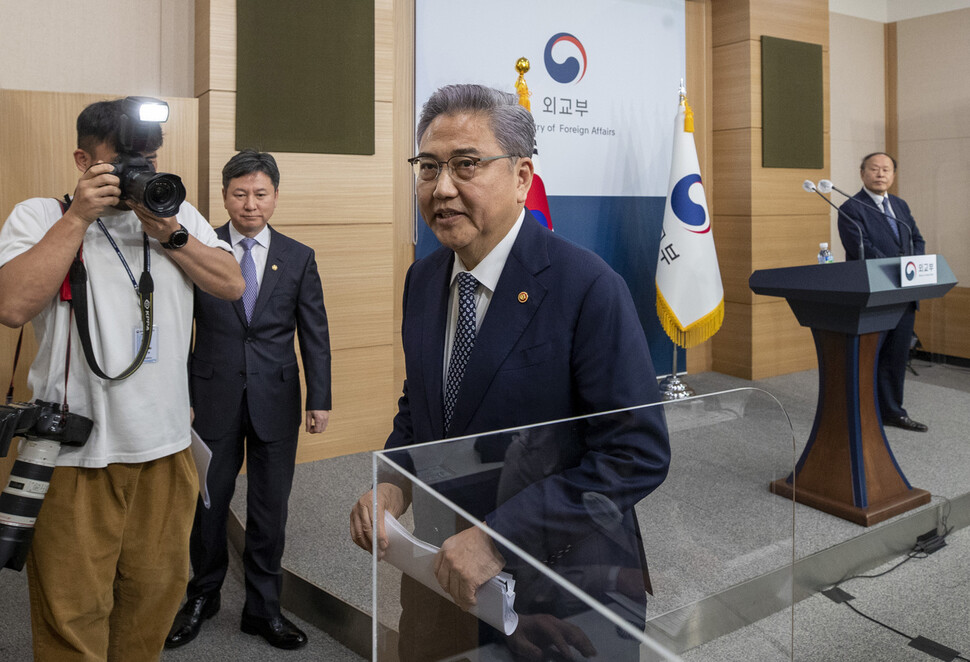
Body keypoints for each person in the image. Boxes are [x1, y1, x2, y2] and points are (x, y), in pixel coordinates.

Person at [349, 84, 670, 661]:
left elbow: (635, 453)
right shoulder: (423, 281)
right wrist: (395, 478)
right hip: (442, 569)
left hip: (561, 581)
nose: (442, 187)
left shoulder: (588, 287)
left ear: (522, 177)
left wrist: (501, 540)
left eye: (466, 165)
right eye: (428, 167)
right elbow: (421, 405)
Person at [0, 98, 244, 661]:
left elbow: (231, 284)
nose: (141, 177)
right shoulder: (40, 216)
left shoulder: (176, 217)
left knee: (152, 604)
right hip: (74, 457)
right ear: (84, 161)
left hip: (166, 455)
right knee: (71, 616)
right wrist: (78, 218)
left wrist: (171, 233)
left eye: (149, 162)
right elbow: (12, 305)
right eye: (123, 165)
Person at [165, 150, 332, 651]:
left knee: (269, 510)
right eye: (240, 194)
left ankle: (263, 609)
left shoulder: (299, 256)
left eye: (261, 194)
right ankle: (203, 595)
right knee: (207, 504)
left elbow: (314, 333)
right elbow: (176, 328)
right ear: (224, 196)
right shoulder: (200, 248)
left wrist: (319, 397)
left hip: (277, 400)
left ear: (275, 197)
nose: (250, 204)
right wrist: (178, 395)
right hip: (209, 398)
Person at [838, 152, 928, 432]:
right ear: (862, 173)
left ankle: (892, 411)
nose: (880, 174)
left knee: (896, 356)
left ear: (893, 175)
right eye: (874, 169)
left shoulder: (900, 205)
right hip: (874, 293)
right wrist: (897, 270)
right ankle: (863, 411)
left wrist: (914, 266)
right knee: (869, 355)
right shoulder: (851, 208)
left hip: (904, 292)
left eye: (886, 169)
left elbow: (916, 239)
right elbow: (861, 249)